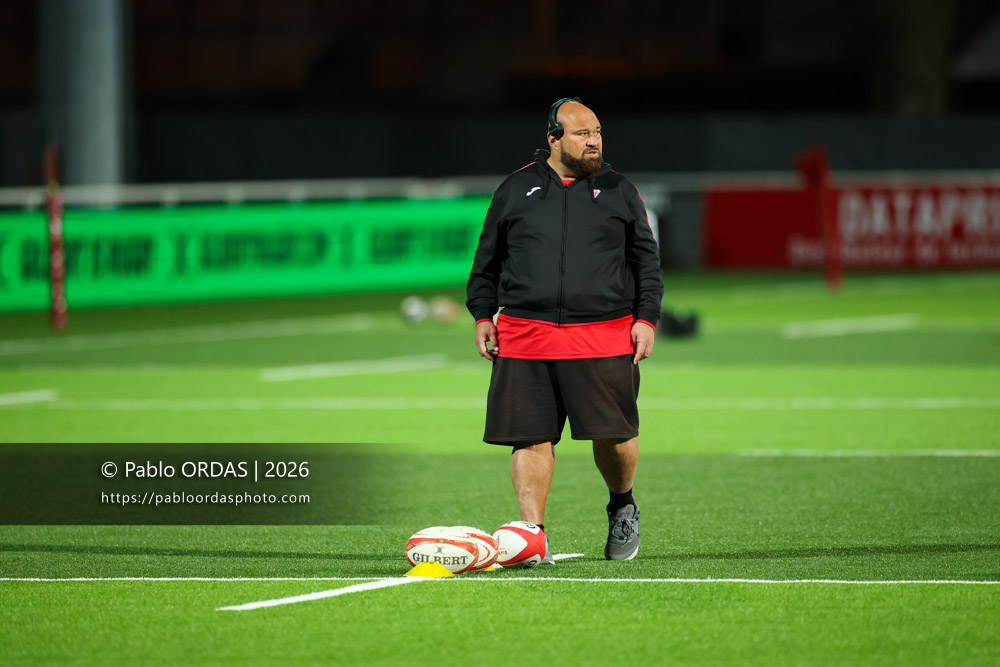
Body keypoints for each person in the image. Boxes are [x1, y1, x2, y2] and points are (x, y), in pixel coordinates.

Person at [466, 97, 664, 561]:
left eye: (597, 132)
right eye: (582, 133)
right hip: (525, 335)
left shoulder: (620, 190)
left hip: (604, 334)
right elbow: (487, 262)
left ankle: (622, 505)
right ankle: (532, 536)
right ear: (553, 138)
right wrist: (481, 314)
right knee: (530, 436)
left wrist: (646, 318)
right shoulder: (515, 189)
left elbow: (647, 264)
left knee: (613, 436)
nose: (594, 140)